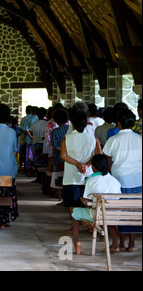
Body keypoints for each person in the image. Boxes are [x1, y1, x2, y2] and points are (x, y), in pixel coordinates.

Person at [103, 109, 142, 252]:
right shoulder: (139, 139)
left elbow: (108, 161)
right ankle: (132, 244)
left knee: (119, 211)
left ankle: (119, 243)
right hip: (138, 180)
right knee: (134, 211)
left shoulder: (113, 140)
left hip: (119, 180)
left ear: (118, 123)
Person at [70, 154, 122, 254]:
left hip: (98, 214)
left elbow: (87, 202)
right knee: (107, 215)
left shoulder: (91, 180)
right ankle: (115, 245)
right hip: (114, 214)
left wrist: (83, 201)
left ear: (93, 167)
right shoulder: (115, 181)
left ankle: (76, 241)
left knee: (74, 212)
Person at [60, 102, 101, 228]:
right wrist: (86, 165)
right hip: (87, 175)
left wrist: (78, 164)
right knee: (88, 201)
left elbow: (63, 155)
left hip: (71, 176)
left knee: (72, 203)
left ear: (72, 125)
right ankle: (90, 226)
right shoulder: (92, 138)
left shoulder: (67, 138)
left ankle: (74, 227)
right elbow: (98, 154)